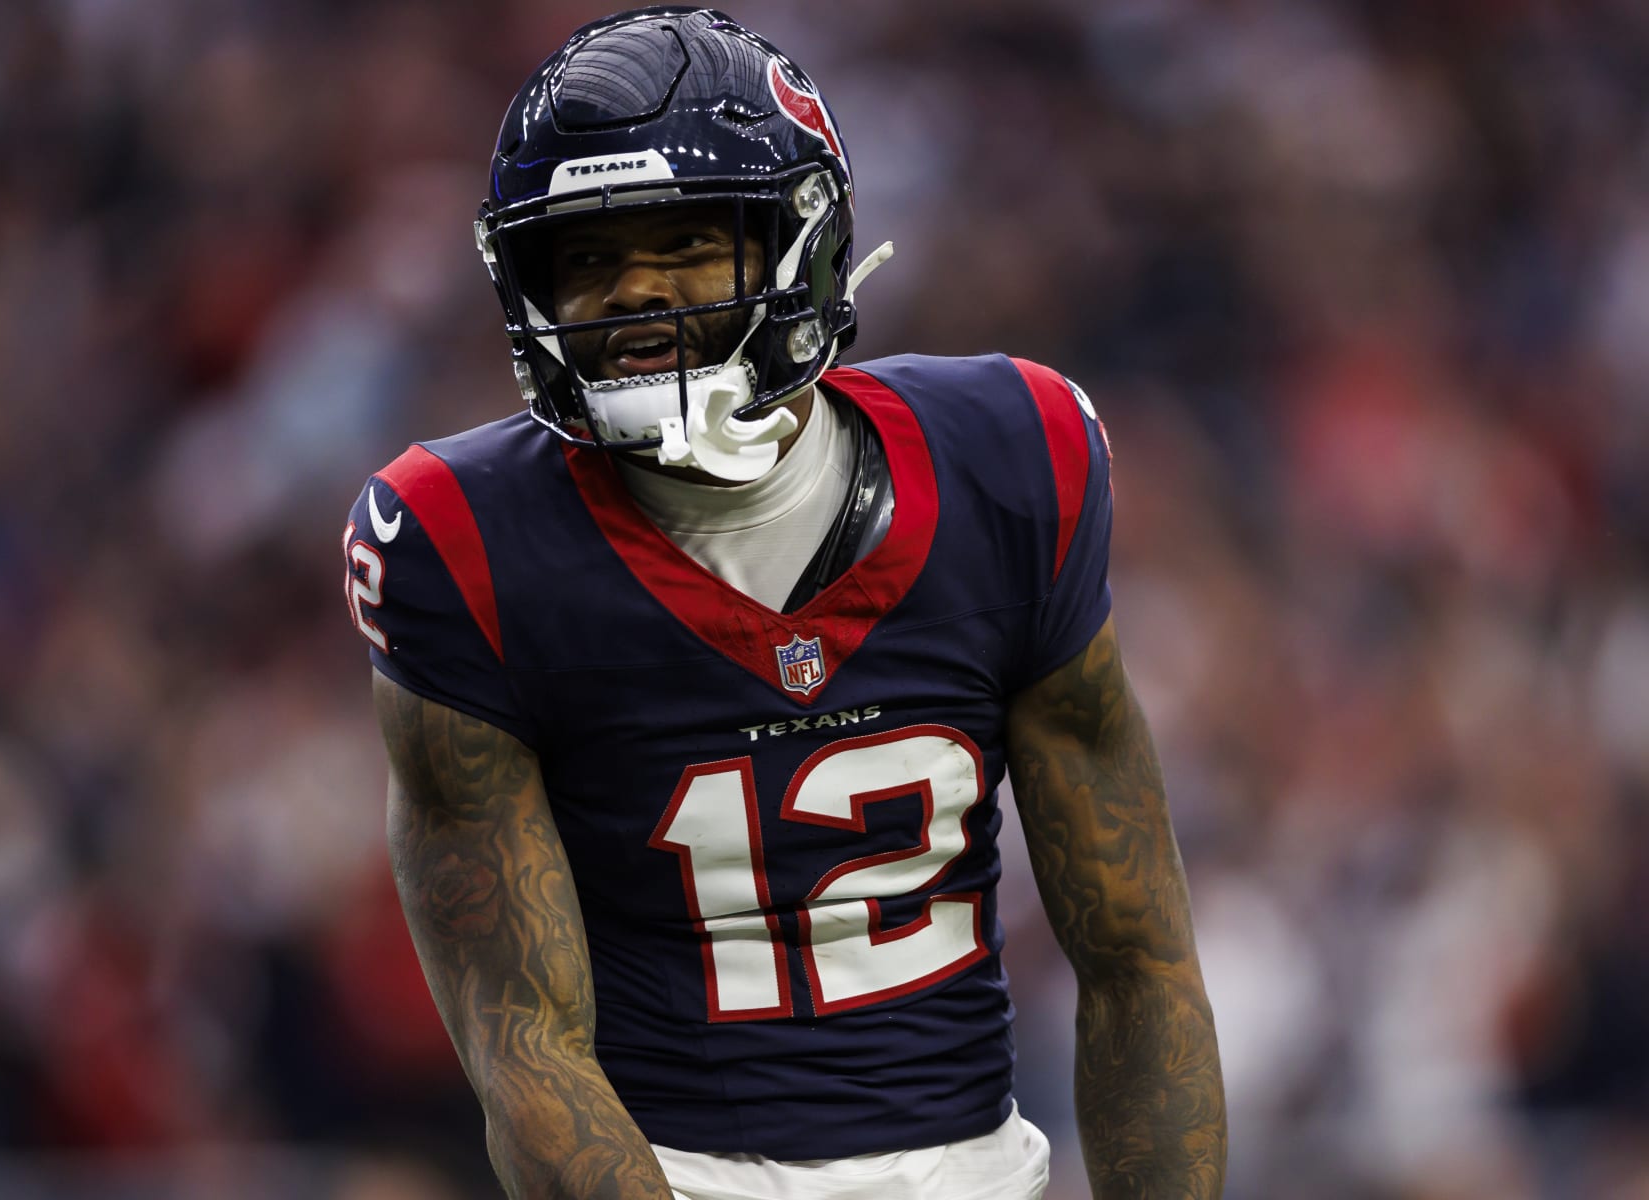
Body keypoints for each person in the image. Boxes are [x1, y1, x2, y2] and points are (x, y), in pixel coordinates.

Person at [342, 8, 1226, 1199]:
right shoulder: (461, 541)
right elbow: (524, 1048)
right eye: (588, 260)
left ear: (800, 243)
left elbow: (1137, 961)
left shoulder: (1011, 462)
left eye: (689, 241)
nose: (634, 293)